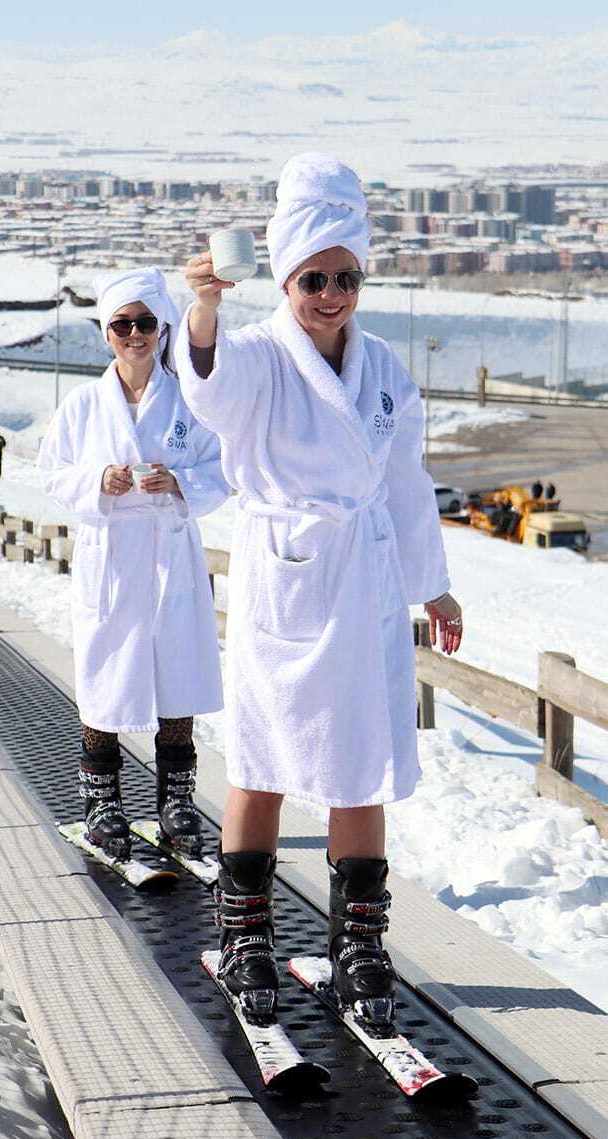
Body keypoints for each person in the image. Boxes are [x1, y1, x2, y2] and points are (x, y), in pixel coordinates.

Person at [176, 154, 463, 1028]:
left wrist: (433, 587)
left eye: (344, 276)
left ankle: (359, 945)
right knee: (262, 756)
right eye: (312, 279)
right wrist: (205, 309)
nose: (330, 293)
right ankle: (246, 934)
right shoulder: (259, 353)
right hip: (289, 573)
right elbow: (212, 397)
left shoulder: (380, 366)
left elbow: (406, 481)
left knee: (360, 762)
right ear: (284, 277)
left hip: (366, 577)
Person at [38, 267, 229, 860]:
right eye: (123, 324)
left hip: (171, 552)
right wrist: (98, 480)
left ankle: (175, 800)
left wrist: (180, 482)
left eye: (146, 323)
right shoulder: (83, 406)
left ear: (163, 328)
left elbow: (223, 467)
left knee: (178, 674)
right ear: (107, 332)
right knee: (106, 674)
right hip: (112, 558)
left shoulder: (188, 402)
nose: (135, 334)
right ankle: (102, 798)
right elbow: (51, 473)